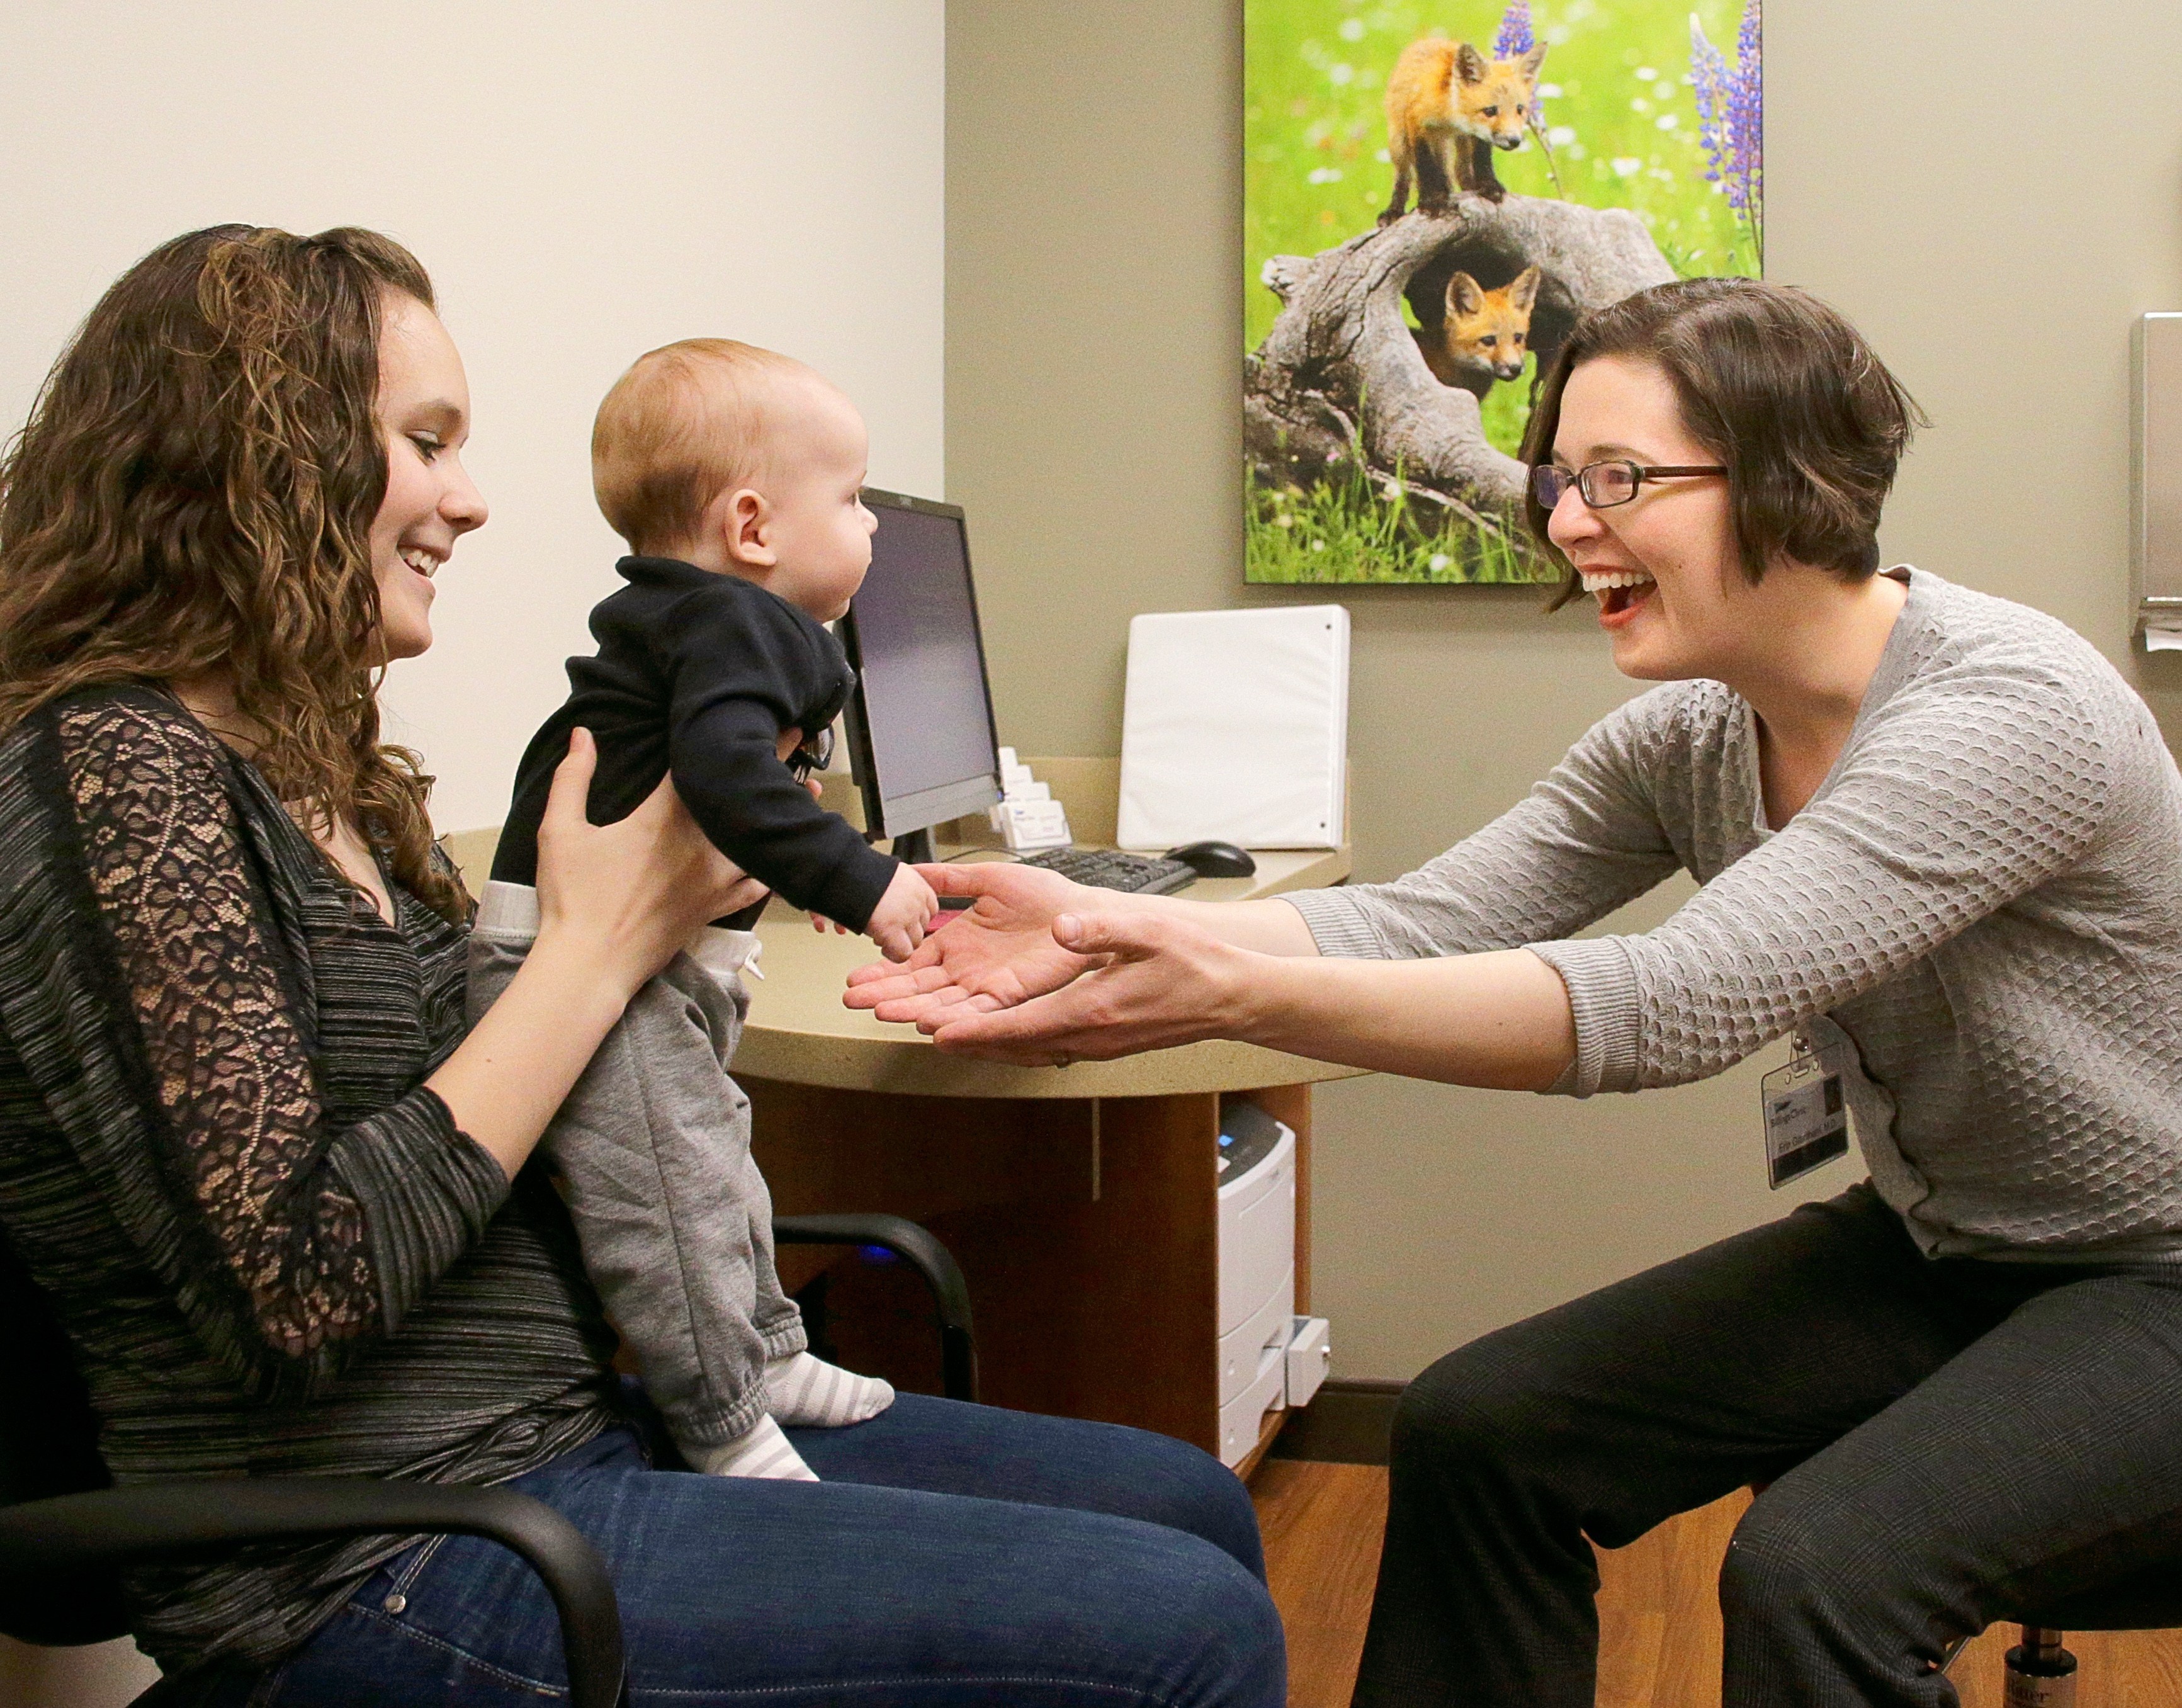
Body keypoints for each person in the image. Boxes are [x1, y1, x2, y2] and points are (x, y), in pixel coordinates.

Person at [847, 276, 2182, 1707]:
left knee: (1815, 1573)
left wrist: (1221, 989)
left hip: (2152, 1270)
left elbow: (1669, 1002)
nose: (1562, 519)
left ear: (1792, 480)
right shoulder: (1691, 738)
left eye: (1618, 476)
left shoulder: (2003, 713)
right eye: (1560, 475)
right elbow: (1429, 922)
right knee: (1481, 1427)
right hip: (1949, 1254)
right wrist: (1109, 924)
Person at [0, 224, 1284, 1707]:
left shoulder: (324, 770)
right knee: (1184, 1633)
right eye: (425, 443)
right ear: (260, 460)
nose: (472, 502)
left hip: (559, 1437)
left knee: (1192, 1505)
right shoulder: (110, 774)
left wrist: (691, 948)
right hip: (370, 1559)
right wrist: (599, 944)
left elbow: (554, 1112)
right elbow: (296, 1292)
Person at [474, 339, 937, 1483]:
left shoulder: (694, 619)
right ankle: (722, 1420)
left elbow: (729, 794)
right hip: (578, 974)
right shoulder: (739, 622)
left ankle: (768, 1350)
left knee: (717, 1155)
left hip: (620, 958)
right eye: (853, 498)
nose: (874, 524)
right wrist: (863, 879)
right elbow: (722, 782)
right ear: (753, 528)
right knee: (667, 1194)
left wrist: (810, 858)